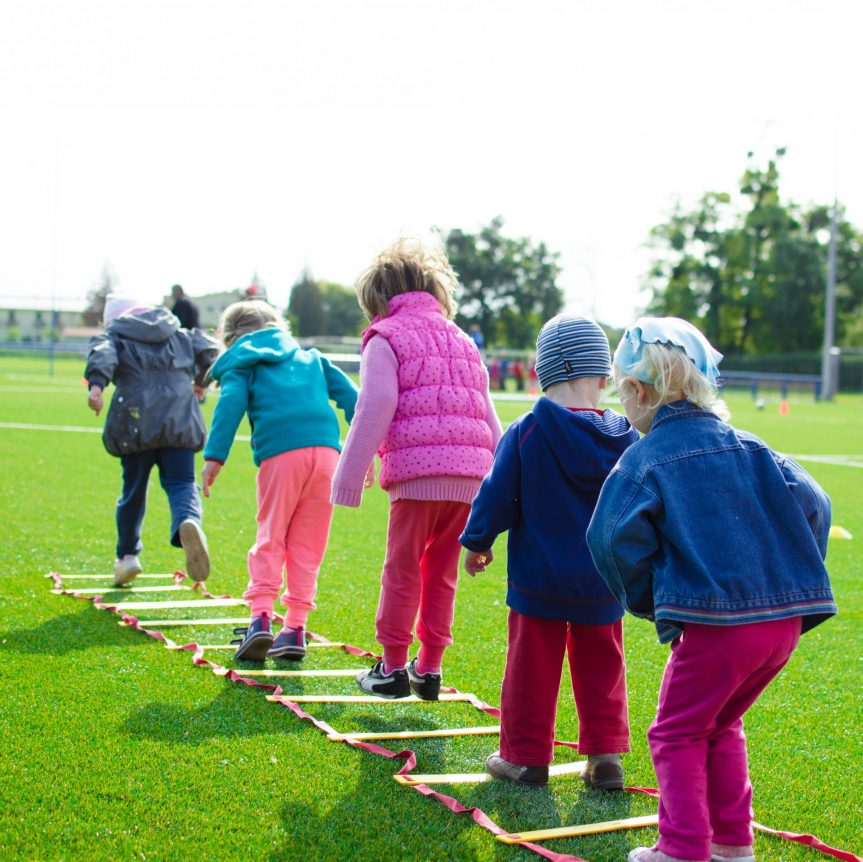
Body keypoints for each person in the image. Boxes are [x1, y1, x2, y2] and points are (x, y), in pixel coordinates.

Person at [585, 317, 836, 862]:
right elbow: (817, 504)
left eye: (623, 393)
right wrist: (791, 575)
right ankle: (732, 845)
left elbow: (607, 538)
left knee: (675, 734)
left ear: (639, 391)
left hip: (718, 630)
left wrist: (650, 601)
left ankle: (681, 850)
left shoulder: (644, 458)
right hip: (781, 629)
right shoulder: (752, 446)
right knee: (721, 725)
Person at [460, 314, 639, 789]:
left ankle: (525, 757)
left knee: (530, 669)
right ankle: (605, 758)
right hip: (604, 580)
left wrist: (478, 541)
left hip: (538, 579)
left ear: (539, 373)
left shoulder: (526, 430)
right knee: (603, 667)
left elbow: (496, 494)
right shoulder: (628, 437)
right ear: (603, 376)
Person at [331, 238, 502, 699]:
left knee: (402, 569)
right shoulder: (463, 340)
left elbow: (377, 403)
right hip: (471, 478)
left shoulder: (385, 337)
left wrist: (349, 475)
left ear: (378, 300)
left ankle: (390, 668)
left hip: (417, 475)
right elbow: (489, 415)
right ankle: (428, 668)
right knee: (441, 572)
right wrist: (503, 486)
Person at [201, 300, 358, 661]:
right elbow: (355, 399)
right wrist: (364, 451)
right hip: (327, 456)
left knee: (271, 535)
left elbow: (230, 404)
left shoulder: (244, 362)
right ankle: (295, 629)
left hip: (282, 455)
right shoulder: (312, 358)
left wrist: (214, 457)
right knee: (308, 545)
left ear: (230, 338)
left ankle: (260, 620)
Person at [85, 294, 219, 587]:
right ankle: (189, 521)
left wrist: (96, 386)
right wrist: (201, 382)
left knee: (133, 490)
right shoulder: (178, 332)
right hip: (180, 419)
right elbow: (210, 351)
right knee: (183, 483)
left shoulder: (116, 335)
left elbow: (103, 353)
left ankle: (127, 556)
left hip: (135, 422)